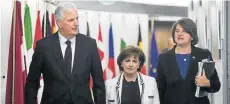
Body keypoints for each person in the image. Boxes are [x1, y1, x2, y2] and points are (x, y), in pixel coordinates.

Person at [24, 2, 105, 104]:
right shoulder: (43, 46)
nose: (76, 23)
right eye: (71, 20)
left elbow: (99, 84)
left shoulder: (90, 44)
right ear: (59, 23)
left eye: (77, 18)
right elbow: (32, 83)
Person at [156, 18, 220, 104]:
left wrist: (208, 83)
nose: (180, 34)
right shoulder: (164, 58)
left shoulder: (203, 54)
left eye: (184, 31)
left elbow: (216, 85)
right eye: (177, 31)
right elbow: (160, 89)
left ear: (192, 36)